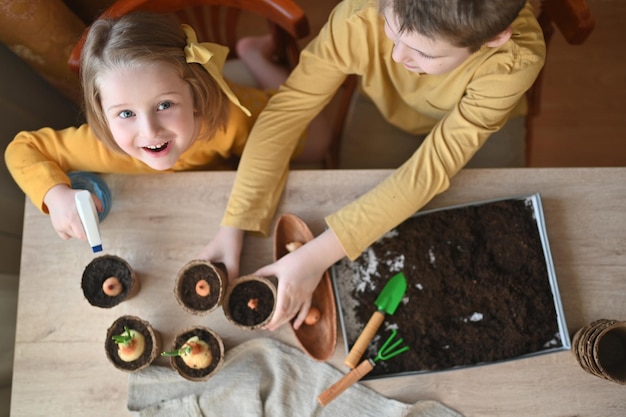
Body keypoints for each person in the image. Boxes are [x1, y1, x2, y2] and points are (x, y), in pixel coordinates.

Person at [200, 0, 546, 331]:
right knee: (358, 202)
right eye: (392, 32)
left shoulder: (514, 60)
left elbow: (432, 168)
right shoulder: (360, 17)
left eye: (424, 52)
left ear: (494, 38)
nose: (397, 56)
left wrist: (316, 257)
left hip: (480, 122)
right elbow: (286, 112)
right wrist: (236, 221)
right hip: (384, 107)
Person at [4, 11, 330, 243]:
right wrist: (55, 194)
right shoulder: (96, 144)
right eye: (125, 114)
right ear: (101, 110)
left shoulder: (228, 120)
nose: (150, 131)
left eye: (164, 105)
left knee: (318, 140)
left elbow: (273, 143)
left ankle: (254, 55)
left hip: (238, 117)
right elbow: (23, 149)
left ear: (195, 94)